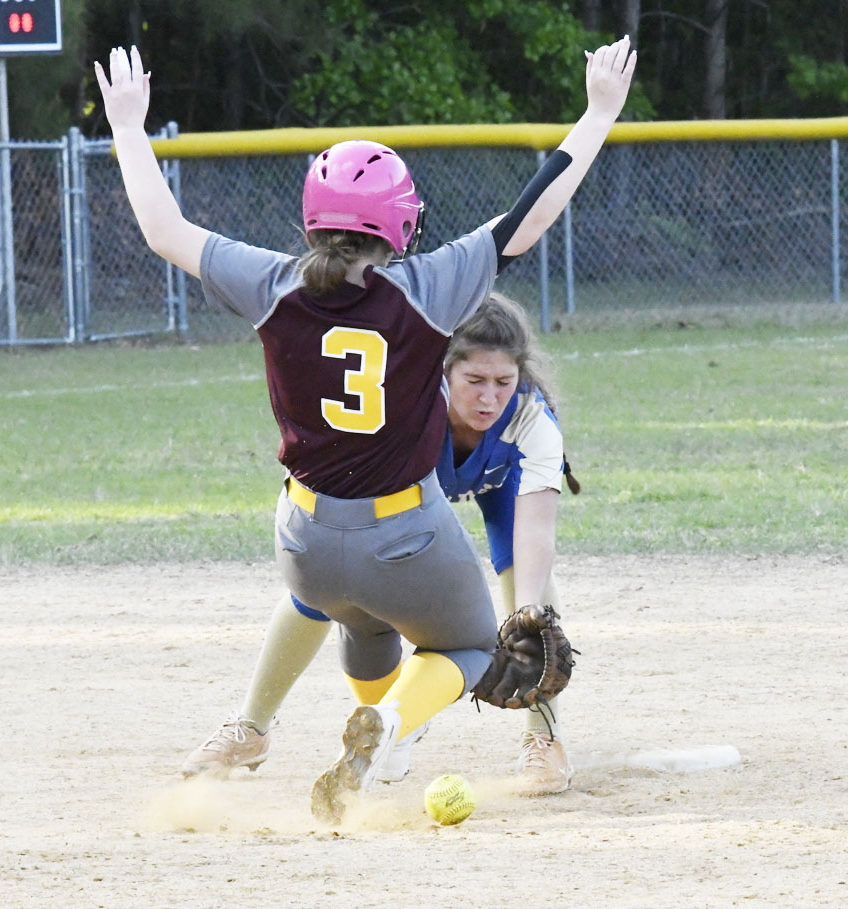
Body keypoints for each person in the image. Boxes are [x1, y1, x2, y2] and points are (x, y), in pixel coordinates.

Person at [95, 37, 635, 823]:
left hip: (305, 543)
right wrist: (597, 112)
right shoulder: (427, 286)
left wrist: (128, 125)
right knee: (477, 647)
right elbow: (530, 212)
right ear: (401, 224)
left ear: (313, 221)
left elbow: (162, 228)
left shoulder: (272, 284)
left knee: (362, 627)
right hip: (404, 534)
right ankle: (391, 724)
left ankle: (370, 722)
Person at [183, 293, 581, 794]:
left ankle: (544, 738)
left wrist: (526, 614)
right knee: (323, 588)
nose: (489, 398)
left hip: (501, 485)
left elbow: (537, 531)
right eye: (474, 381)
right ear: (443, 370)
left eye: (503, 382)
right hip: (408, 487)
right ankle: (252, 727)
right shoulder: (409, 402)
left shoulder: (530, 418)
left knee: (532, 593)